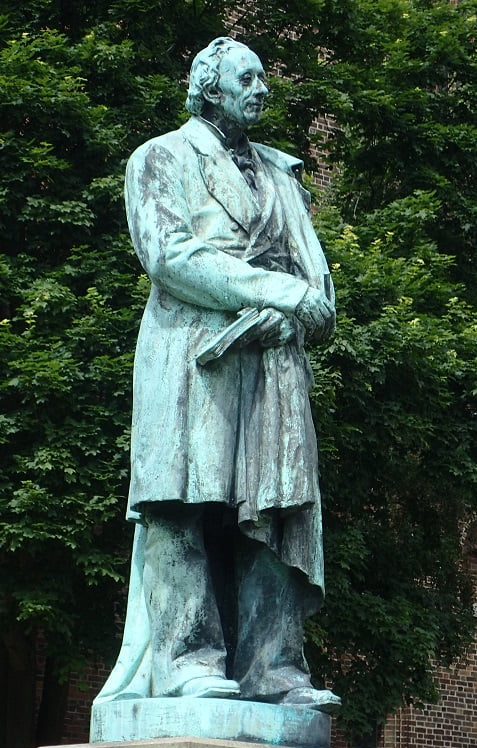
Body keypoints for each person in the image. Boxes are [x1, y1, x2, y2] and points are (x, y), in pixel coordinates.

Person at [95, 36, 340, 713]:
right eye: (248, 78)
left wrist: (296, 314)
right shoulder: (161, 157)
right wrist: (278, 292)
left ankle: (274, 669)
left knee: (277, 513)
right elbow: (169, 255)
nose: (262, 89)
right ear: (210, 88)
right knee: (181, 504)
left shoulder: (282, 177)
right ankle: (186, 662)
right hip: (191, 355)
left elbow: (318, 289)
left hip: (273, 361)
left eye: (263, 78)